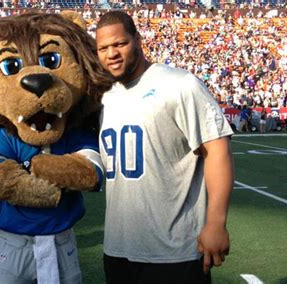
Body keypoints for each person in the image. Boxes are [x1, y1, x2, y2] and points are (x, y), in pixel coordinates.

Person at [95, 11, 234, 283]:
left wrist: (216, 222)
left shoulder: (179, 84)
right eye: (103, 48)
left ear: (137, 40)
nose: (111, 53)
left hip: (174, 253)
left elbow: (217, 149)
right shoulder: (103, 97)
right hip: (118, 249)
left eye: (119, 44)